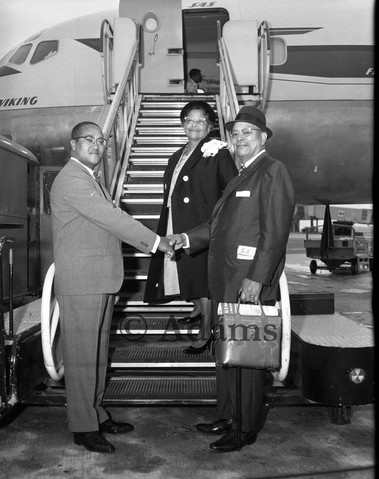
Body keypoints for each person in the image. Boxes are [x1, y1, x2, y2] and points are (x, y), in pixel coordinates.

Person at [169, 106, 295, 451]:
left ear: (263, 137)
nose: (240, 138)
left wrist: (257, 278)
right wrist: (185, 239)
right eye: (235, 133)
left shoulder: (272, 171)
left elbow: (275, 233)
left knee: (248, 360)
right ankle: (226, 414)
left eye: (247, 133)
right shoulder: (242, 174)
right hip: (227, 282)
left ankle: (245, 427)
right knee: (226, 354)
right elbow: (216, 226)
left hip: (248, 285)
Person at [50, 121, 173, 453]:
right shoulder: (73, 179)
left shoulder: (91, 179)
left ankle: (96, 414)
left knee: (97, 355)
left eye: (101, 141)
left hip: (97, 279)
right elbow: (111, 218)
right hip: (81, 282)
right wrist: (157, 242)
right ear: (72, 145)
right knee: (81, 358)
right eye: (88, 140)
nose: (97, 145)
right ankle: (82, 426)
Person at [144, 101, 238, 354]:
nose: (194, 125)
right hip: (176, 220)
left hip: (202, 225)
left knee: (202, 280)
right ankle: (197, 308)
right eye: (189, 120)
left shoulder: (218, 152)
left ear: (209, 125)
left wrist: (216, 223)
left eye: (200, 121)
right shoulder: (177, 154)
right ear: (183, 123)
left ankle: (206, 332)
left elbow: (231, 192)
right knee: (187, 271)